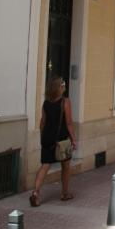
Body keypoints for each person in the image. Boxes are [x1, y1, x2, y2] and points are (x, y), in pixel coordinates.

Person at [30, 76, 77, 207]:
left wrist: (42, 137)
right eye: (63, 84)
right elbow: (68, 123)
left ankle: (35, 192)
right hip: (61, 139)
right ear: (58, 87)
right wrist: (73, 139)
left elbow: (42, 122)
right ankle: (65, 193)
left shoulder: (46, 103)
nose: (64, 85)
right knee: (66, 166)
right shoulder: (65, 102)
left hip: (47, 138)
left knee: (45, 165)